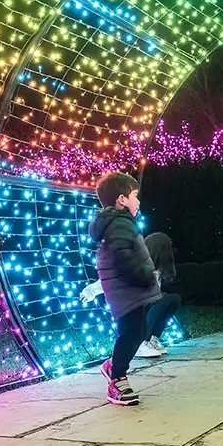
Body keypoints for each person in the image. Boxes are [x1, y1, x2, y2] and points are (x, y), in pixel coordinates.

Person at [89, 172, 162, 406]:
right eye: (135, 196)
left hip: (129, 289)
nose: (138, 201)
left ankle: (113, 366)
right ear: (122, 199)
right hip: (125, 288)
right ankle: (117, 379)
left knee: (137, 332)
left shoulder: (121, 223)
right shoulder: (119, 223)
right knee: (130, 333)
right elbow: (122, 257)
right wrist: (143, 276)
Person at [138, 233, 182, 358]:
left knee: (174, 299)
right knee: (163, 299)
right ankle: (140, 343)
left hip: (144, 307)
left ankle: (152, 338)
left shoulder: (157, 272)